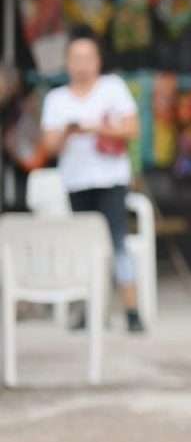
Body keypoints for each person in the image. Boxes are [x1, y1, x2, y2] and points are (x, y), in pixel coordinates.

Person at [41, 27, 145, 333]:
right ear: (67, 62)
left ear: (98, 61)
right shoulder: (57, 99)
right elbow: (48, 146)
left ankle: (132, 312)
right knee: (83, 246)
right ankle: (87, 309)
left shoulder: (113, 88)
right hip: (76, 181)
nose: (82, 64)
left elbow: (132, 130)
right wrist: (68, 132)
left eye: (87, 58)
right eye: (76, 58)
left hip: (111, 180)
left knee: (118, 243)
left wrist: (95, 128)